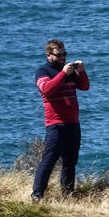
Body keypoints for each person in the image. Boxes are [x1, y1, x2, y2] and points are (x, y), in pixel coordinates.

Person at [31, 39, 90, 202]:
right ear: (48, 55)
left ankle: (68, 195)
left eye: (65, 54)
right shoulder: (43, 71)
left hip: (73, 124)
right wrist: (63, 73)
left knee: (70, 163)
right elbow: (46, 89)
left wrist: (81, 71)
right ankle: (37, 194)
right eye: (59, 55)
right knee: (48, 161)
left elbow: (84, 86)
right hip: (56, 125)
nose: (63, 58)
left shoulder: (68, 71)